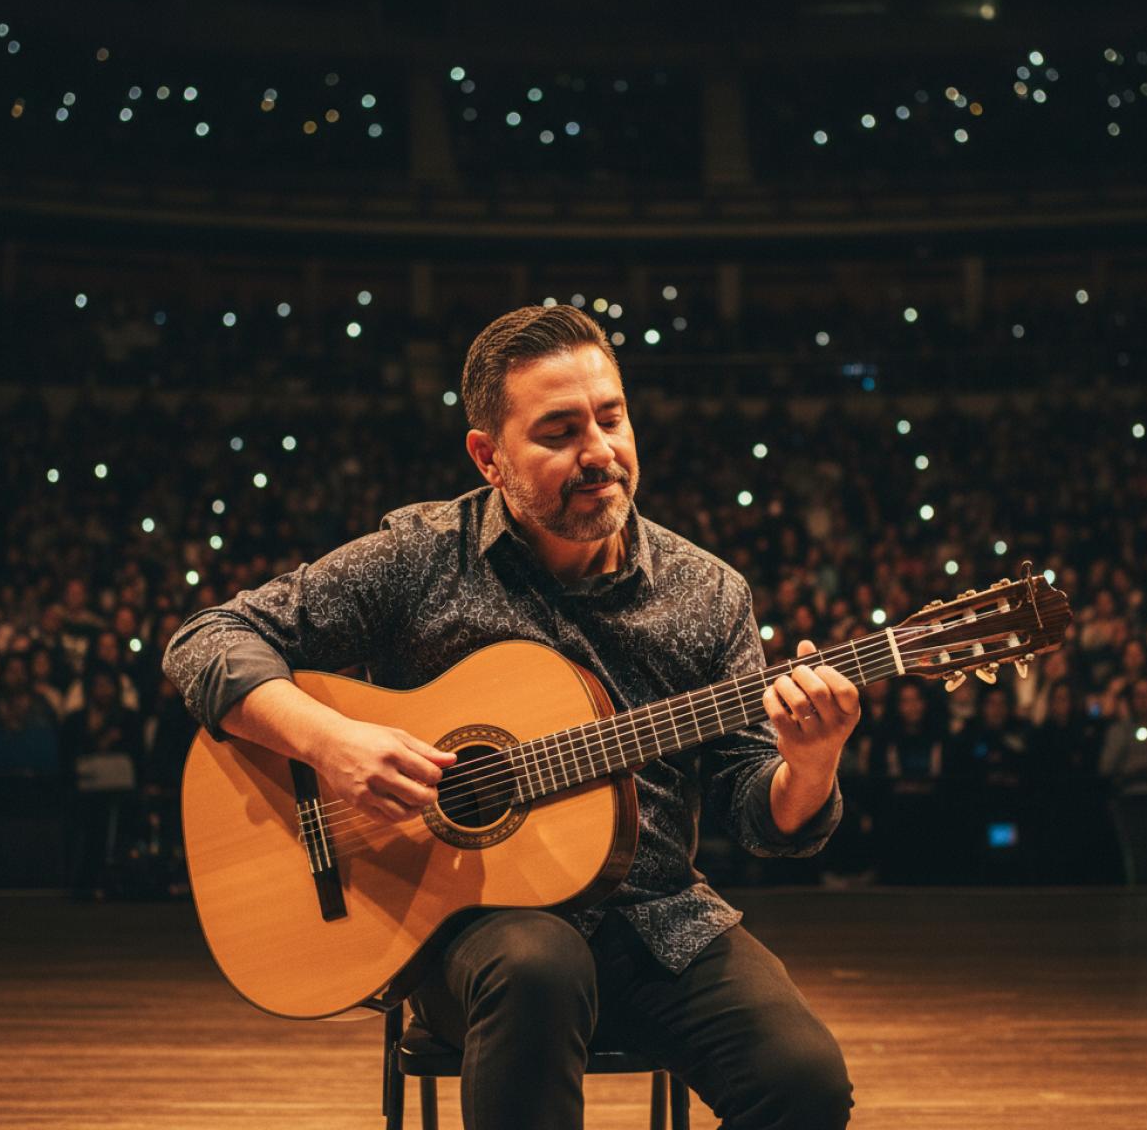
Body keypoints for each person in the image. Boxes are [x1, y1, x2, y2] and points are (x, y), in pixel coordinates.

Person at [163, 305, 856, 1129]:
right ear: (488, 457)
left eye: (611, 418)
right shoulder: (421, 557)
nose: (599, 453)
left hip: (655, 922)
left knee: (804, 1082)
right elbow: (207, 639)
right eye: (559, 432)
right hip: (467, 931)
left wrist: (810, 765)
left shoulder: (708, 591)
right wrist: (331, 742)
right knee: (539, 968)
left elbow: (760, 816)